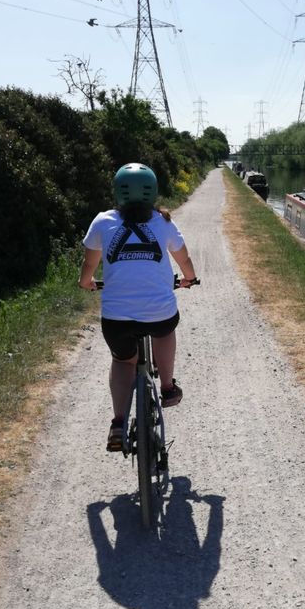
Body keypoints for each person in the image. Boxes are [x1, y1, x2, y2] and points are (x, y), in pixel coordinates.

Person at [79, 162, 198, 451]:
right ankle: (168, 387)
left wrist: (86, 283)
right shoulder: (163, 221)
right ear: (153, 192)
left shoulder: (102, 221)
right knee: (164, 330)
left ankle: (119, 422)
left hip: (117, 318)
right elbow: (183, 260)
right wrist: (189, 279)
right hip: (159, 312)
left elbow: (89, 264)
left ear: (117, 192)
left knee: (123, 361)